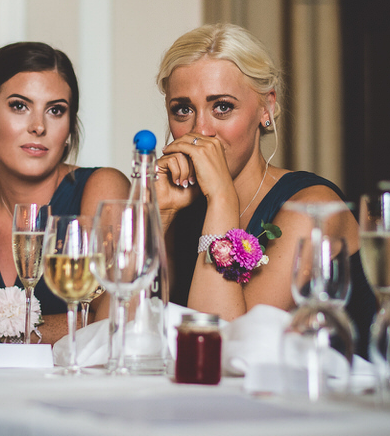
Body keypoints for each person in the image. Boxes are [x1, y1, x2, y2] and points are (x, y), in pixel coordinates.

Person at [153, 23, 376, 342]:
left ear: (266, 108)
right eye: (183, 109)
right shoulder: (181, 204)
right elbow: (107, 332)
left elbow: (223, 349)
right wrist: (157, 217)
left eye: (222, 107)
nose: (200, 130)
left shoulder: (313, 207)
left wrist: (221, 199)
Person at [0, 42, 129, 344]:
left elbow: (110, 324)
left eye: (56, 110)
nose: (38, 126)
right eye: (19, 105)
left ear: (69, 128)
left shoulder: (101, 188)